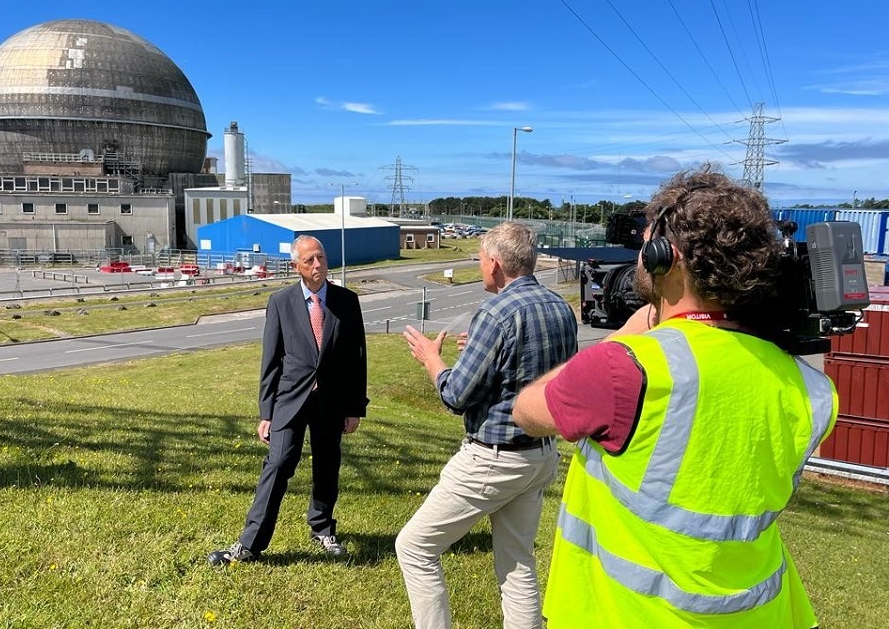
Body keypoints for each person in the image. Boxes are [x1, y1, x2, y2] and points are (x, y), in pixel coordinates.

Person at [513, 164, 837, 628]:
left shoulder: (625, 367)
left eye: (647, 244)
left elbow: (527, 411)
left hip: (630, 615)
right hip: (762, 614)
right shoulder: (813, 390)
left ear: (669, 257)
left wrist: (625, 335)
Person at [397, 221, 578, 629]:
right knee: (516, 560)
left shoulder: (495, 312)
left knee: (415, 547)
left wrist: (432, 360)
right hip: (541, 454)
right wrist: (481, 351)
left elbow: (456, 395)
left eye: (480, 259)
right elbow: (547, 375)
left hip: (494, 458)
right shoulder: (559, 307)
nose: (480, 266)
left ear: (494, 264)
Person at [208, 235, 368, 565]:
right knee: (279, 464)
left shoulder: (347, 301)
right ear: (296, 266)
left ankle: (323, 528)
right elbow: (272, 360)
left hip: (332, 400)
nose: (318, 265)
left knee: (328, 465)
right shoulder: (281, 302)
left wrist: (354, 408)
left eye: (321, 258)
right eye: (309, 260)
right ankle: (250, 544)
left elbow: (357, 358)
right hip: (290, 399)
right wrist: (266, 411)